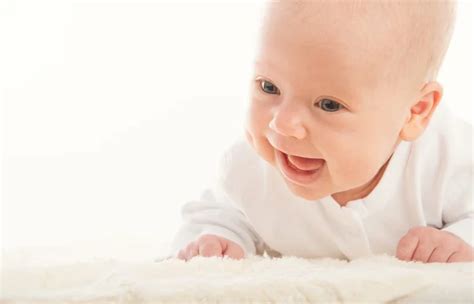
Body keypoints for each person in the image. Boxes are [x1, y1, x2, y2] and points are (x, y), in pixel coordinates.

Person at [170, 0, 473, 263]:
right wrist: (217, 240)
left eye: (328, 104)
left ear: (415, 112)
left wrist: (461, 241)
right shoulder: (250, 168)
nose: (282, 125)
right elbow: (215, 214)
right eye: (269, 86)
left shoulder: (448, 157)